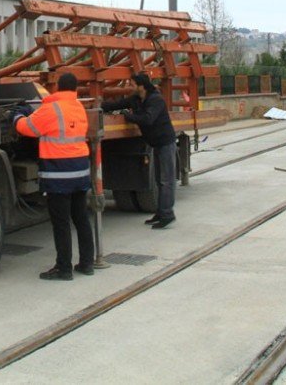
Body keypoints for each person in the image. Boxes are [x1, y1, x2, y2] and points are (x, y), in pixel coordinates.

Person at [12, 73, 95, 281]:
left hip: (59, 175)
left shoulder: (52, 108)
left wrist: (17, 115)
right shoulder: (79, 108)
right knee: (81, 218)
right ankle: (87, 263)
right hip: (80, 172)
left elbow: (26, 128)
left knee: (61, 223)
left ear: (57, 87)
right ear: (75, 89)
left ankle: (63, 269)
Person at [101, 72, 177, 229]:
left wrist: (129, 116)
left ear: (141, 86)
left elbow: (149, 119)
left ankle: (167, 214)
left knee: (166, 180)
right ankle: (161, 212)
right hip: (155, 143)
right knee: (159, 180)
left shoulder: (156, 100)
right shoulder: (136, 99)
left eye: (132, 84)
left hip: (165, 142)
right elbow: (117, 105)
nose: (130, 86)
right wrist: (97, 106)